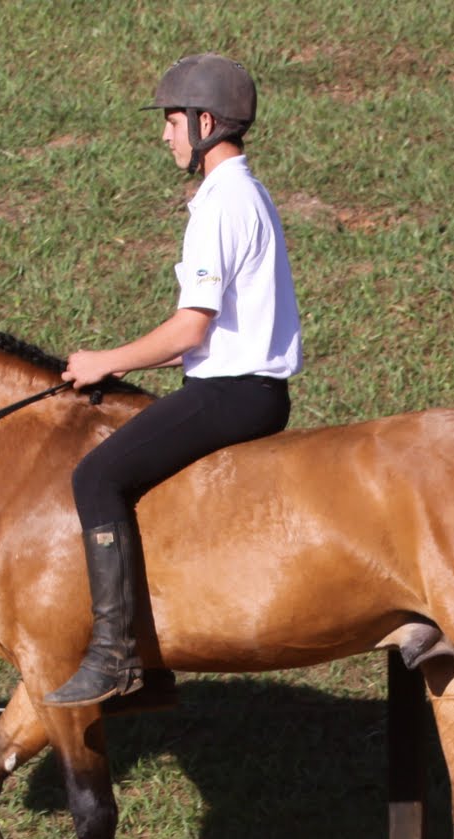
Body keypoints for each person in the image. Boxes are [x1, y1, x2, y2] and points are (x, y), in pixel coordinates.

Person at [44, 52, 303, 707]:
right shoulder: (249, 191)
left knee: (95, 476)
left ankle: (116, 657)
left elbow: (191, 330)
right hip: (247, 390)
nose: (165, 135)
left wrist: (109, 359)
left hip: (230, 393)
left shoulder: (221, 203)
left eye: (171, 121)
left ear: (205, 121)